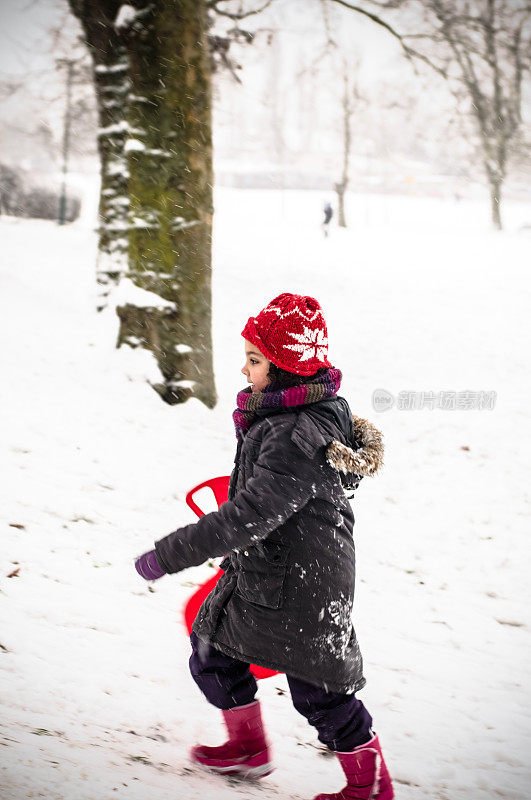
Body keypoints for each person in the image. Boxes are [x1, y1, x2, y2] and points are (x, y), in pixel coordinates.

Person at [135, 293, 395, 800]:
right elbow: (272, 496)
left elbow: (251, 515)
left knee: (321, 696)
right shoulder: (289, 415)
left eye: (255, 360)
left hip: (303, 587)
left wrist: (170, 554)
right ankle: (246, 749)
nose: (244, 368)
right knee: (212, 651)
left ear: (286, 369)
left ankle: (371, 787)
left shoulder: (297, 429)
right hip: (266, 572)